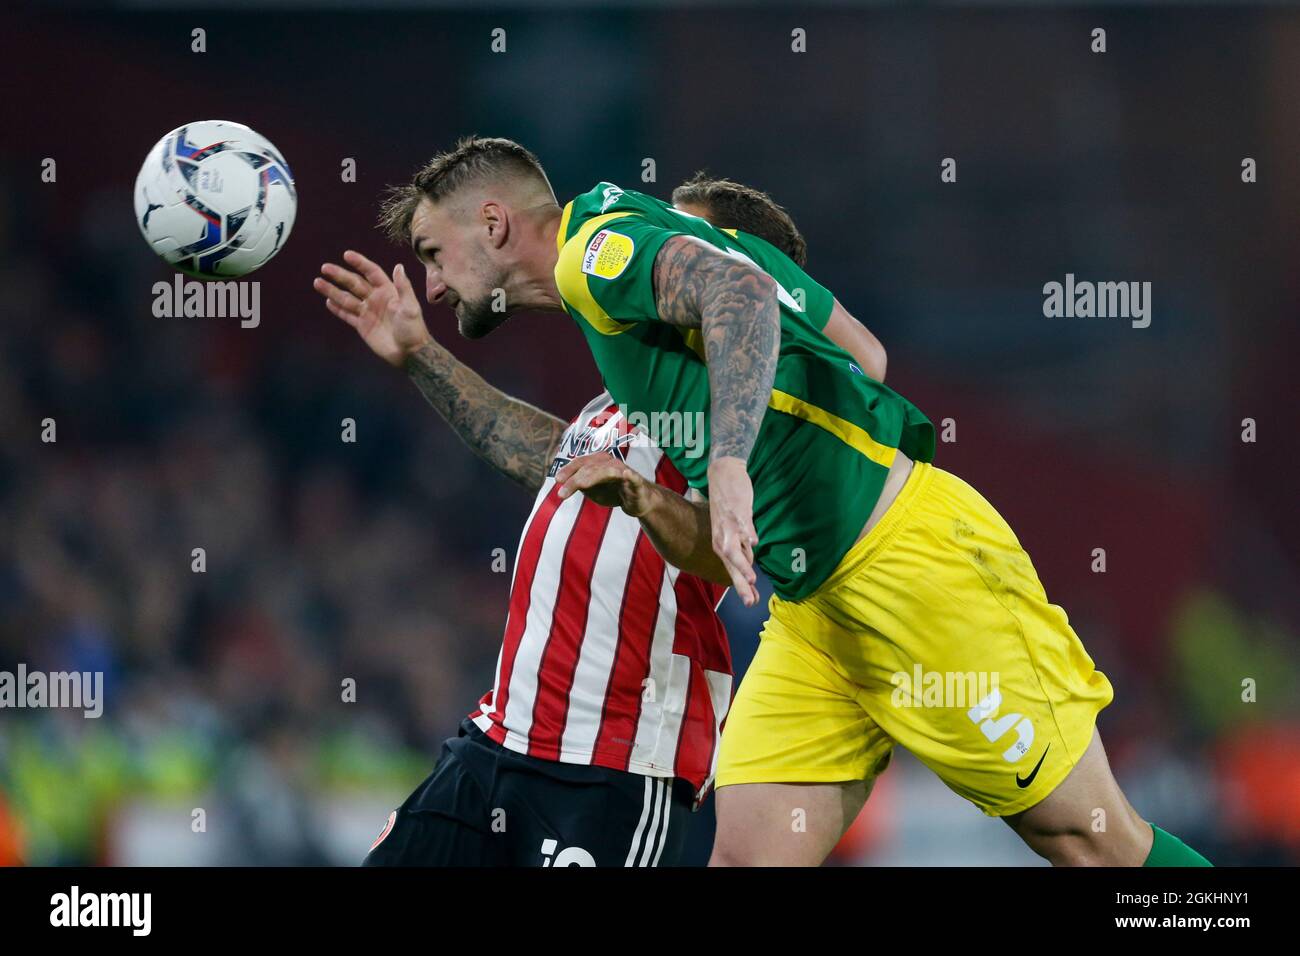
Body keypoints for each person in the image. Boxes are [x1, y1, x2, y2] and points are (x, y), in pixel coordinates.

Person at [344, 136, 1211, 867]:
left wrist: (729, 459)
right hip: (814, 612)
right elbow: (864, 354)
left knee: (1090, 841)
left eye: (431, 252)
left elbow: (740, 293)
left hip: (909, 571)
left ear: (493, 223)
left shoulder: (593, 255)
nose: (432, 281)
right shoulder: (638, 327)